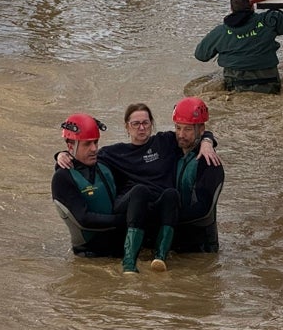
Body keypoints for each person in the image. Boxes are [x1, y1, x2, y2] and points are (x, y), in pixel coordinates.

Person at [56, 104, 221, 272]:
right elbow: (83, 156)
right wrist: (62, 155)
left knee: (171, 194)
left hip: (161, 206)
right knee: (140, 190)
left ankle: (160, 257)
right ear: (127, 126)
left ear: (152, 124)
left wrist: (208, 141)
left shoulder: (165, 142)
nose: (141, 128)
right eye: (135, 123)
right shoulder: (114, 153)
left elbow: (192, 134)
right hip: (132, 203)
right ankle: (129, 263)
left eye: (146, 123)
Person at [50, 113, 157, 274]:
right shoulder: (62, 178)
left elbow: (138, 164)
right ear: (70, 146)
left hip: (121, 250)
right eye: (87, 144)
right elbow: (84, 219)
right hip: (92, 258)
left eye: (96, 142)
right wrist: (125, 220)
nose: (94, 149)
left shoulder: (105, 165)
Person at [194, 0, 283, 94]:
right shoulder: (270, 20)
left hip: (236, 87)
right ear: (252, 6)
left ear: (231, 8)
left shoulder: (221, 32)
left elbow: (200, 55)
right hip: (269, 85)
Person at [172, 97, 225, 238]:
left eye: (188, 129)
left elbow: (203, 209)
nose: (181, 135)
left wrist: (165, 217)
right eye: (178, 128)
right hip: (173, 235)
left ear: (201, 129)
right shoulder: (173, 148)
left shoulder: (209, 163)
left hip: (199, 244)